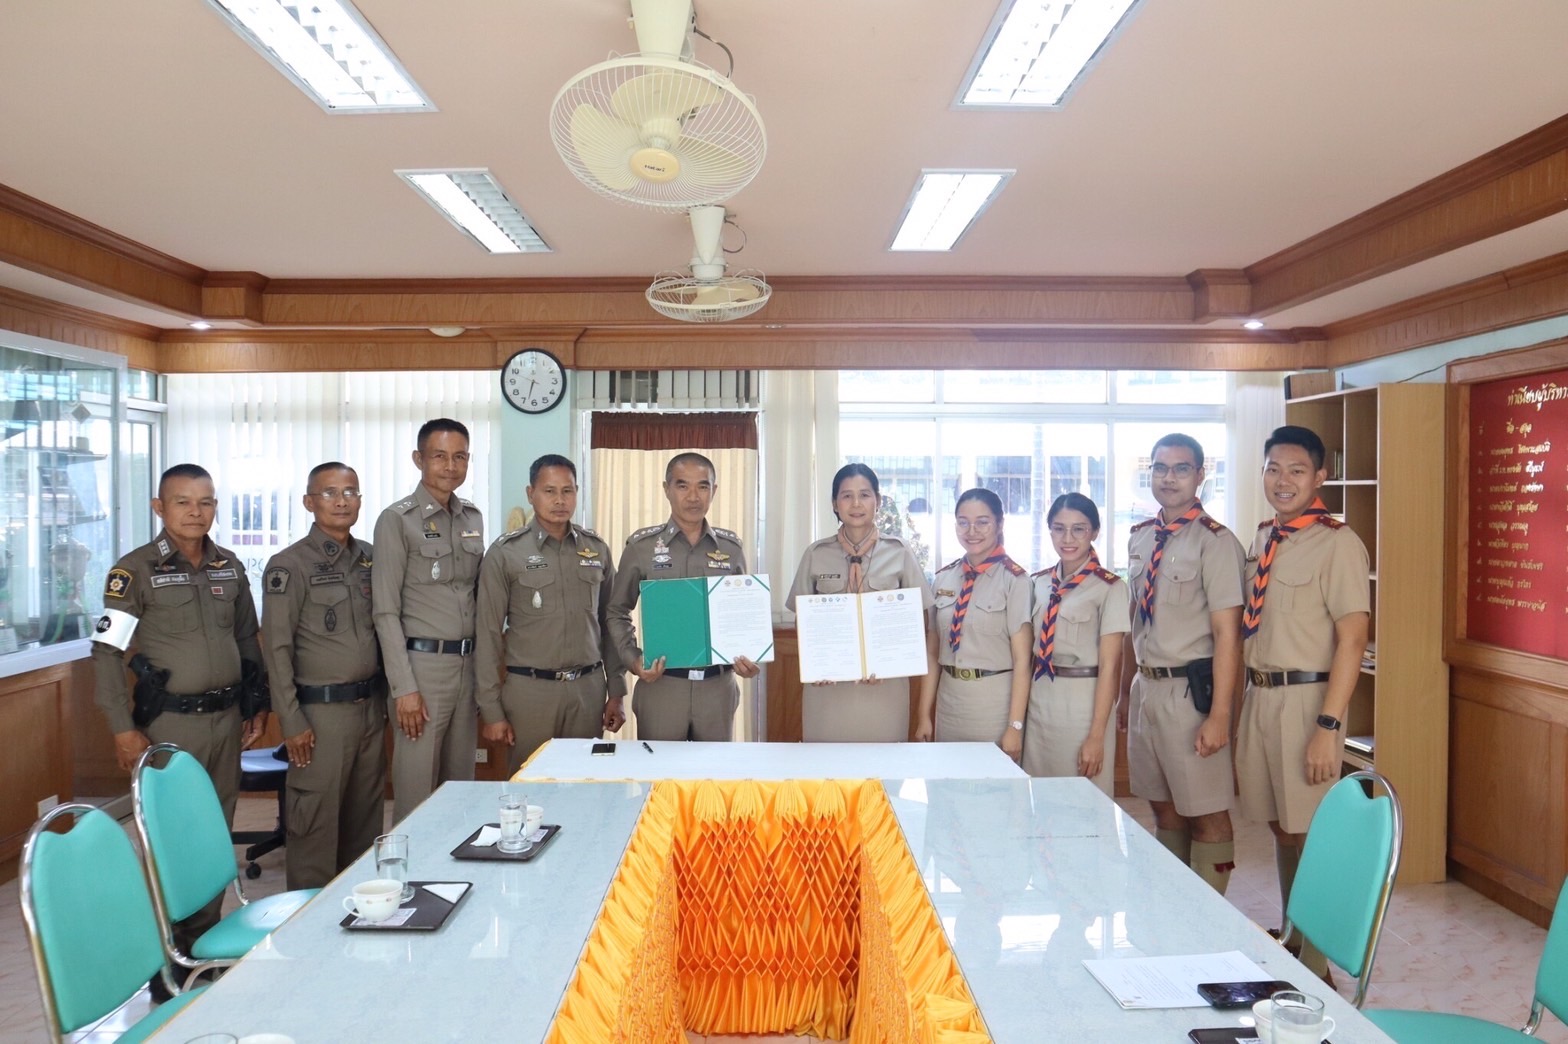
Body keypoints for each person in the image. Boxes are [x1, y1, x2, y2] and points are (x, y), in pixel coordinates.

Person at [89, 462, 269, 975]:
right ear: (159, 508)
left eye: (205, 502)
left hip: (225, 721)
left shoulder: (229, 567)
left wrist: (256, 704)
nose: (196, 512)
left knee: (214, 835)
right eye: (183, 502)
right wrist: (121, 727)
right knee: (173, 841)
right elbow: (106, 652)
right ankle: (167, 959)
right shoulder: (134, 571)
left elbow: (245, 640)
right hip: (169, 726)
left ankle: (203, 947)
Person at [1236, 424, 1370, 978]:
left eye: (1296, 470)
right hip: (1261, 697)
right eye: (1273, 469)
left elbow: (1353, 640)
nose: (1282, 480)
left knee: (1308, 831)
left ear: (1320, 477)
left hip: (1308, 701)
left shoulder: (1338, 542)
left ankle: (1317, 964)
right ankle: (1294, 939)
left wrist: (1328, 726)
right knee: (1279, 825)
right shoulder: (1264, 537)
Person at [1119, 432, 1244, 895]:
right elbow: (1135, 619)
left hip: (1191, 694)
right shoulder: (1141, 537)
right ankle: (1172, 908)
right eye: (1160, 468)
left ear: (1200, 475)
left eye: (1181, 469)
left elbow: (1228, 634)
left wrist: (1220, 715)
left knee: (1206, 811)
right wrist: (1125, 693)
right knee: (1163, 807)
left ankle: (1210, 915)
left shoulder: (1216, 542)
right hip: (1146, 689)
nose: (1169, 478)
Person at [260, 461, 387, 890]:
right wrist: (290, 720)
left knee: (364, 826)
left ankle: (361, 913)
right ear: (309, 502)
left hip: (369, 710)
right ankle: (308, 921)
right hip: (319, 718)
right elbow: (276, 649)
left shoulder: (371, 558)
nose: (342, 501)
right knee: (314, 828)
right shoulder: (289, 565)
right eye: (330, 493)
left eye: (350, 492)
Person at [475, 454, 626, 774]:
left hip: (587, 691)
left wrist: (617, 691)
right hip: (531, 693)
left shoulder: (596, 549)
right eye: (549, 491)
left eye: (567, 491)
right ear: (531, 494)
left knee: (587, 782)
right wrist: (491, 710)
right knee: (531, 784)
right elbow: (487, 634)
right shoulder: (506, 553)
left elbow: (610, 624)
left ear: (576, 493)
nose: (560, 500)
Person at [372, 418, 484, 824]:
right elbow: (385, 611)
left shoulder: (472, 518)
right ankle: (411, 865)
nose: (450, 466)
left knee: (461, 788)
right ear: (419, 459)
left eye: (460, 457)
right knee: (416, 791)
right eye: (440, 456)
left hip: (466, 667)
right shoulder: (397, 520)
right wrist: (404, 688)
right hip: (421, 670)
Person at [606, 452, 761, 741]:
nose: (693, 496)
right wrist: (633, 659)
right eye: (682, 485)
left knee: (714, 770)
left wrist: (748, 657)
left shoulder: (731, 549)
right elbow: (617, 611)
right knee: (659, 769)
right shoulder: (642, 547)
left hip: (716, 689)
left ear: (714, 490)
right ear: (666, 489)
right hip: (662, 687)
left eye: (702, 486)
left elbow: (741, 614)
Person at [784, 463, 934, 741]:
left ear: (878, 501)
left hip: (884, 689)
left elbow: (918, 622)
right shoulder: (816, 554)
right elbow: (802, 621)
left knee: (883, 764)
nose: (856, 504)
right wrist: (817, 661)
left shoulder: (899, 552)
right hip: (828, 690)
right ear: (834, 503)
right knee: (825, 764)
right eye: (846, 496)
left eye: (864, 495)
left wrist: (891, 659)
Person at [1023, 492, 1128, 794]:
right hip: (1041, 701)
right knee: (1039, 795)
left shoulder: (1109, 588)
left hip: (1083, 703)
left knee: (1084, 799)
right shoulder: (1039, 583)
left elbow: (1110, 667)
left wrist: (1096, 736)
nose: (1067, 538)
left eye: (1079, 529)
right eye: (1059, 528)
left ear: (1094, 532)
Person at [915, 487, 1031, 761]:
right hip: (950, 703)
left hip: (993, 706)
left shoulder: (1015, 580)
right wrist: (923, 715)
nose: (972, 531)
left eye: (982, 522)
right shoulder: (943, 579)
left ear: (999, 524)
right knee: (947, 781)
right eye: (963, 522)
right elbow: (932, 653)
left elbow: (1023, 661)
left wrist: (1015, 726)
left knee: (992, 784)